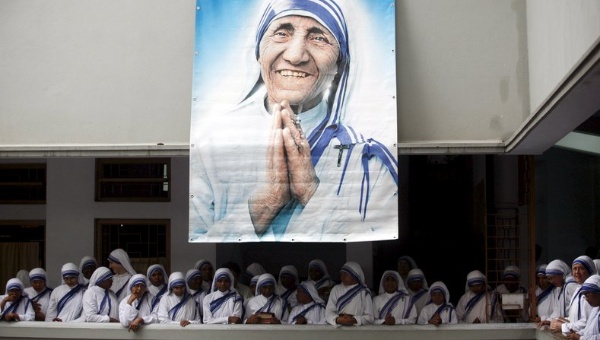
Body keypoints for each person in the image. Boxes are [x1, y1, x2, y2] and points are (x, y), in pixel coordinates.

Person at [189, 0, 398, 243]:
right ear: (258, 52)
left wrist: (310, 190)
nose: (295, 55)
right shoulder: (211, 144)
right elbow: (199, 242)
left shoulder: (367, 160)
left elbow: (371, 244)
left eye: (318, 37)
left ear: (340, 64)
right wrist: (268, 200)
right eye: (281, 33)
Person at [551, 255, 597, 334]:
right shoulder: (578, 289)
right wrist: (559, 321)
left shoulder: (591, 293)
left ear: (589, 270)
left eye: (581, 268)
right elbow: (575, 317)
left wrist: (563, 326)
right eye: (575, 269)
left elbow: (587, 322)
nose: (577, 272)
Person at [325, 261, 374, 326]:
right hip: (339, 328)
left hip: (358, 331)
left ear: (355, 275)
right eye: (341, 274)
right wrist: (338, 319)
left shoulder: (364, 292)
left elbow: (369, 318)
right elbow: (329, 311)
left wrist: (354, 320)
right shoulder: (336, 289)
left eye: (346, 274)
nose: (342, 277)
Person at [567, 274, 600, 340]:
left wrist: (580, 338)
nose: (586, 299)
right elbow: (589, 329)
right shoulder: (595, 309)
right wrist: (579, 333)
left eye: (588, 294)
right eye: (585, 295)